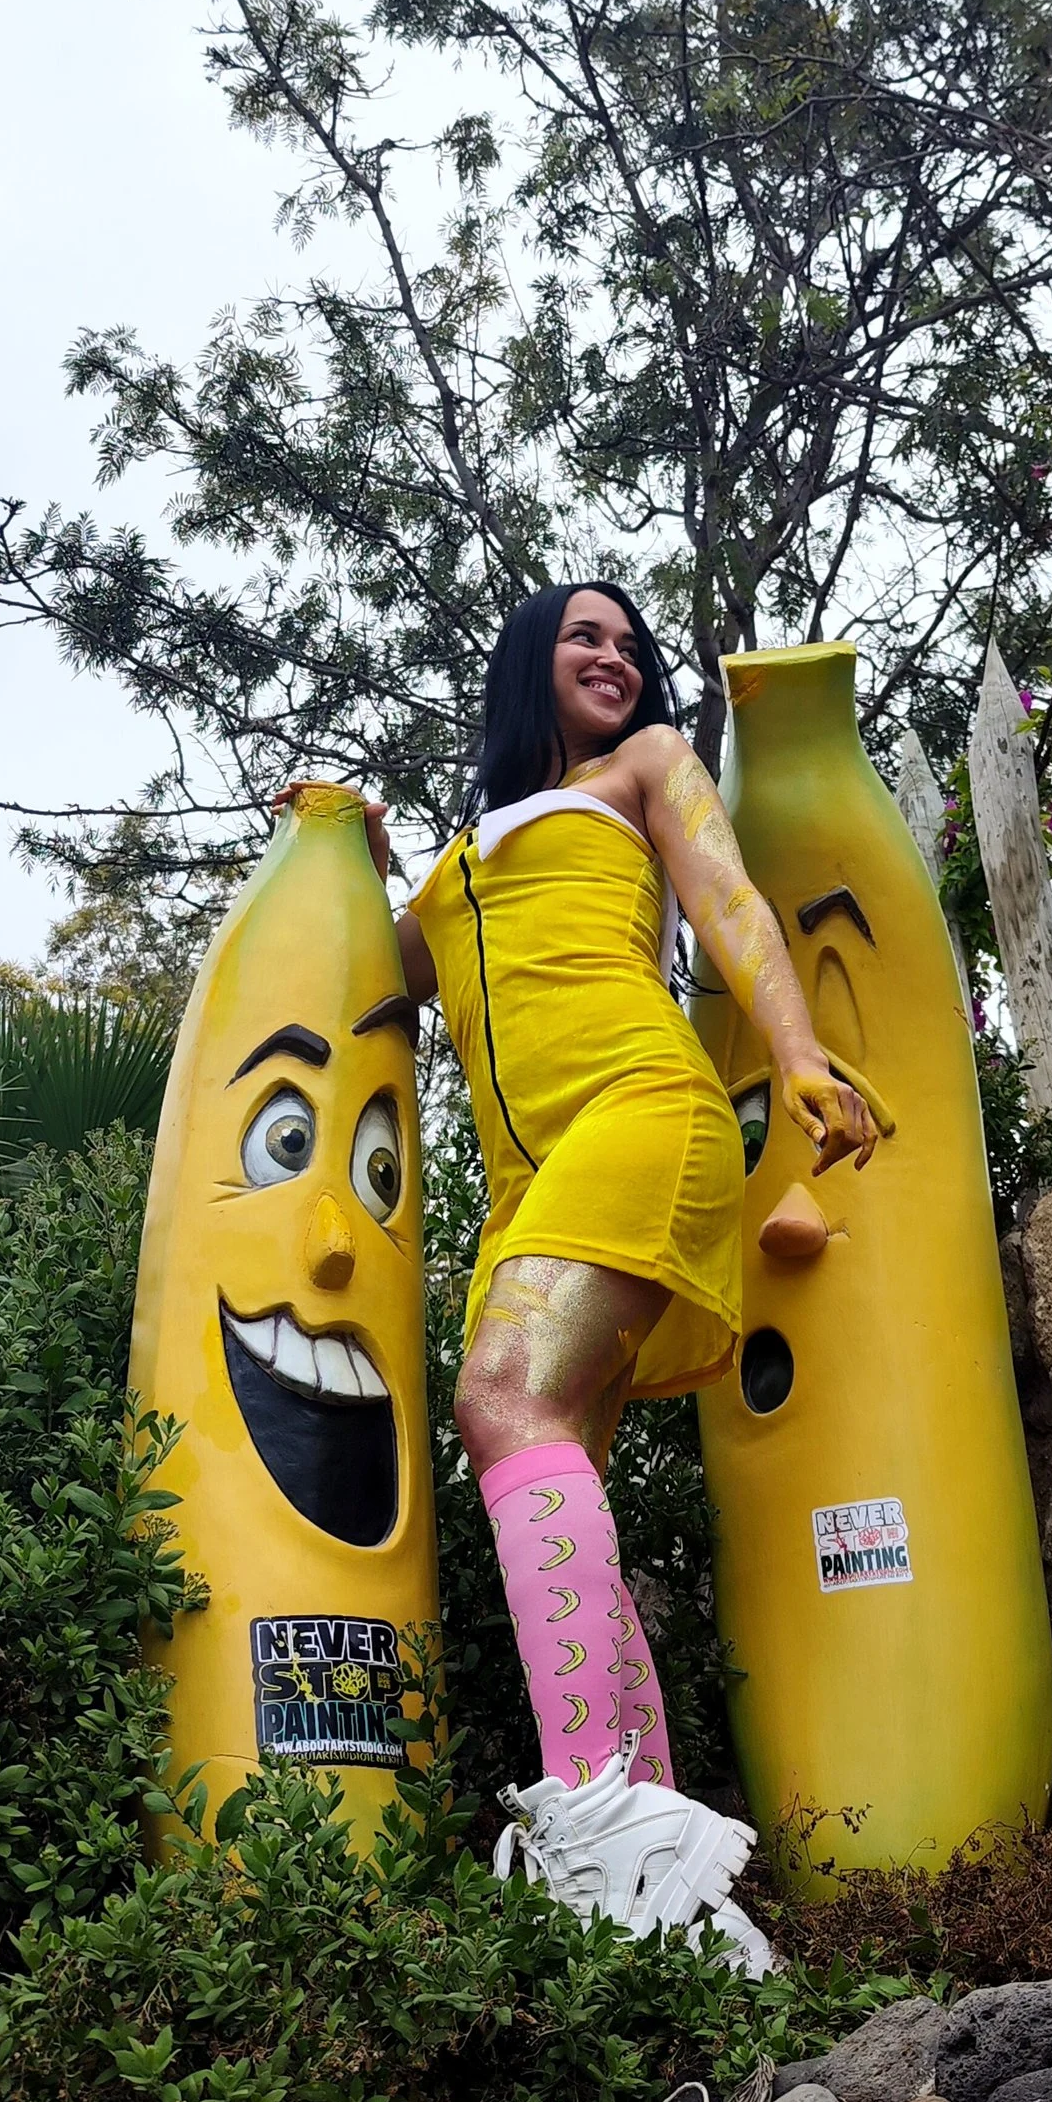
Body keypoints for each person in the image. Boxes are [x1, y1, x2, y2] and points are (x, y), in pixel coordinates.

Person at [363, 581, 879, 1964]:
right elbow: (380, 977)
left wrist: (799, 1056)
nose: (616, 656)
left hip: (640, 1107)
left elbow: (735, 905)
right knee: (536, 1455)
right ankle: (667, 1889)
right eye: (586, 636)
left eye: (631, 645)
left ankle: (604, 1829)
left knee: (501, 1401)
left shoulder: (642, 768)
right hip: (526, 1186)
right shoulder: (458, 856)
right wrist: (353, 853)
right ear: (528, 659)